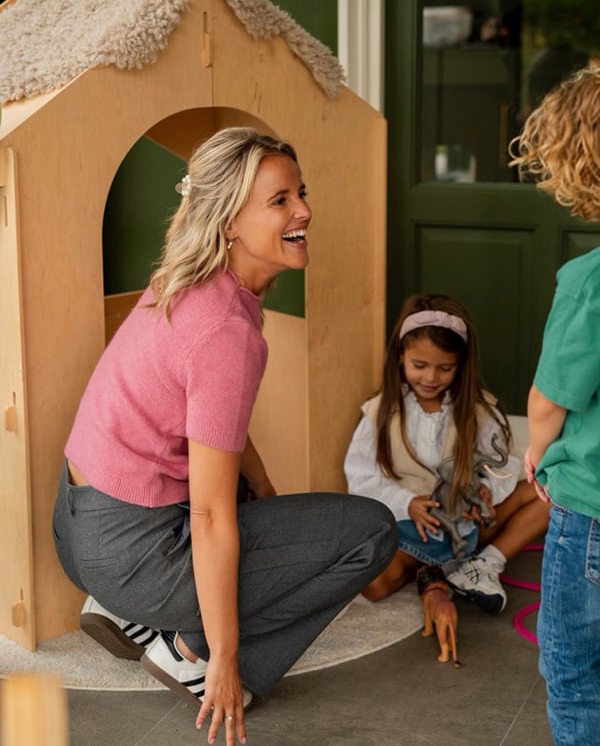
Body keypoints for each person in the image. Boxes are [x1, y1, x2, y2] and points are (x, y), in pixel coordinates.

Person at [52, 127, 397, 746]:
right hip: (131, 554)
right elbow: (210, 516)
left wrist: (261, 486)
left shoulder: (184, 279)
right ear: (230, 220)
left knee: (242, 491)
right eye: (280, 201)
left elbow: (212, 429)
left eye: (301, 193)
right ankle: (186, 648)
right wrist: (226, 659)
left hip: (79, 530)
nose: (304, 211)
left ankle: (123, 614)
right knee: (370, 532)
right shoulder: (226, 333)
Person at [344, 293, 549, 615]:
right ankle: (434, 572)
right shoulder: (380, 412)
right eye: (419, 365)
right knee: (373, 585)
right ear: (400, 356)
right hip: (410, 531)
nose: (430, 378)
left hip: (469, 527)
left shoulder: (479, 410)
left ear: (461, 364)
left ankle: (486, 562)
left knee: (549, 492)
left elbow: (502, 465)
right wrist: (406, 503)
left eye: (444, 368)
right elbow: (360, 477)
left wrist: (484, 491)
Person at [510, 60, 600, 745]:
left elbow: (548, 399)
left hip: (592, 515)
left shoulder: (589, 281)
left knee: (574, 672)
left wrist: (536, 452)